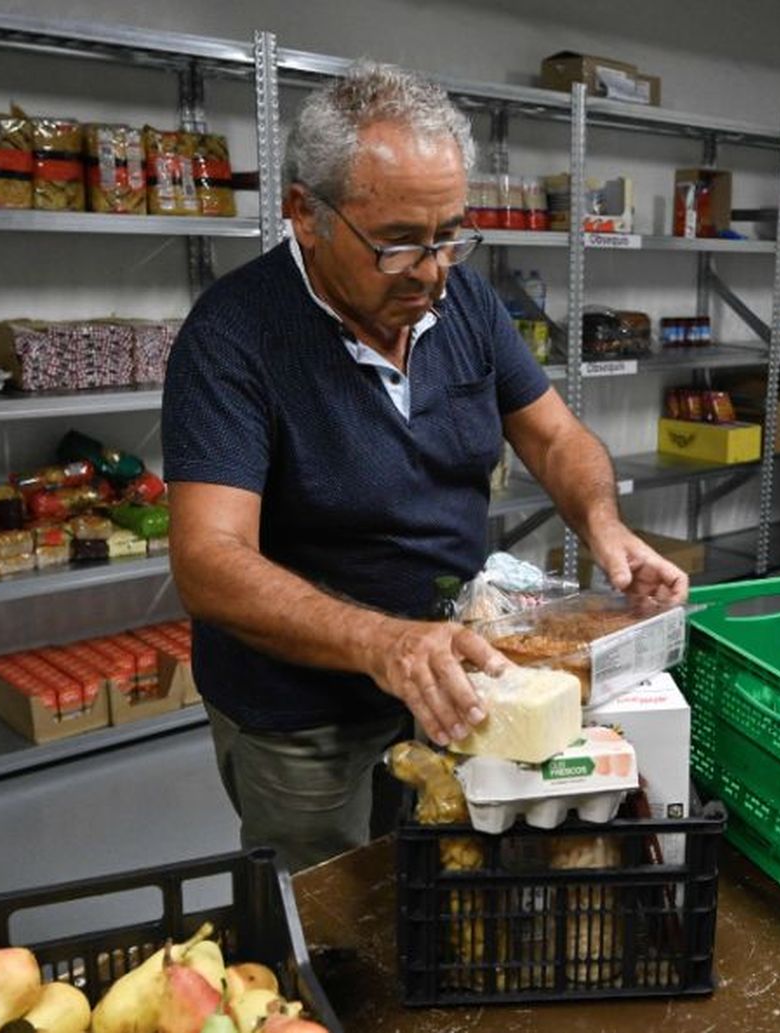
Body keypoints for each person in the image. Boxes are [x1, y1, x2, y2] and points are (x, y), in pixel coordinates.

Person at [161, 60, 689, 873]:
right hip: (302, 714)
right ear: (304, 213)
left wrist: (605, 524)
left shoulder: (464, 303)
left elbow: (554, 437)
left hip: (455, 678)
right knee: (329, 911)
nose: (435, 268)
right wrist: (384, 642)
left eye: (450, 234)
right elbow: (209, 561)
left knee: (440, 876)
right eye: (400, 242)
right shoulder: (234, 337)